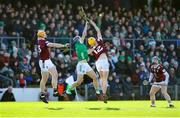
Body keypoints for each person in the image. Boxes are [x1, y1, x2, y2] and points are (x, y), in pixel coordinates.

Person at [66, 21, 101, 100]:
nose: (80, 37)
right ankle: (68, 90)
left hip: (85, 64)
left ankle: (98, 92)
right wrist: (86, 24)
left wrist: (94, 48)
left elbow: (88, 52)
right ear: (77, 40)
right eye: (78, 37)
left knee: (95, 77)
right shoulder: (79, 43)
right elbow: (84, 34)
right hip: (81, 65)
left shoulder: (81, 46)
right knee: (78, 82)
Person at [37, 30, 69, 103]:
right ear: (42, 35)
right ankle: (50, 92)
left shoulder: (39, 41)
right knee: (49, 76)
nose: (45, 34)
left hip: (44, 61)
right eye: (44, 33)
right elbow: (53, 44)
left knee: (49, 76)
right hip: (45, 61)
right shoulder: (43, 42)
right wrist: (63, 46)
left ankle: (48, 93)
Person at [87, 19, 109, 103]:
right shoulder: (99, 41)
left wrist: (91, 49)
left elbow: (87, 53)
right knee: (105, 79)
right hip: (104, 60)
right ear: (95, 40)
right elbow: (98, 30)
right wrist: (92, 22)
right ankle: (104, 94)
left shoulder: (91, 48)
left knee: (101, 78)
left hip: (98, 63)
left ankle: (101, 95)